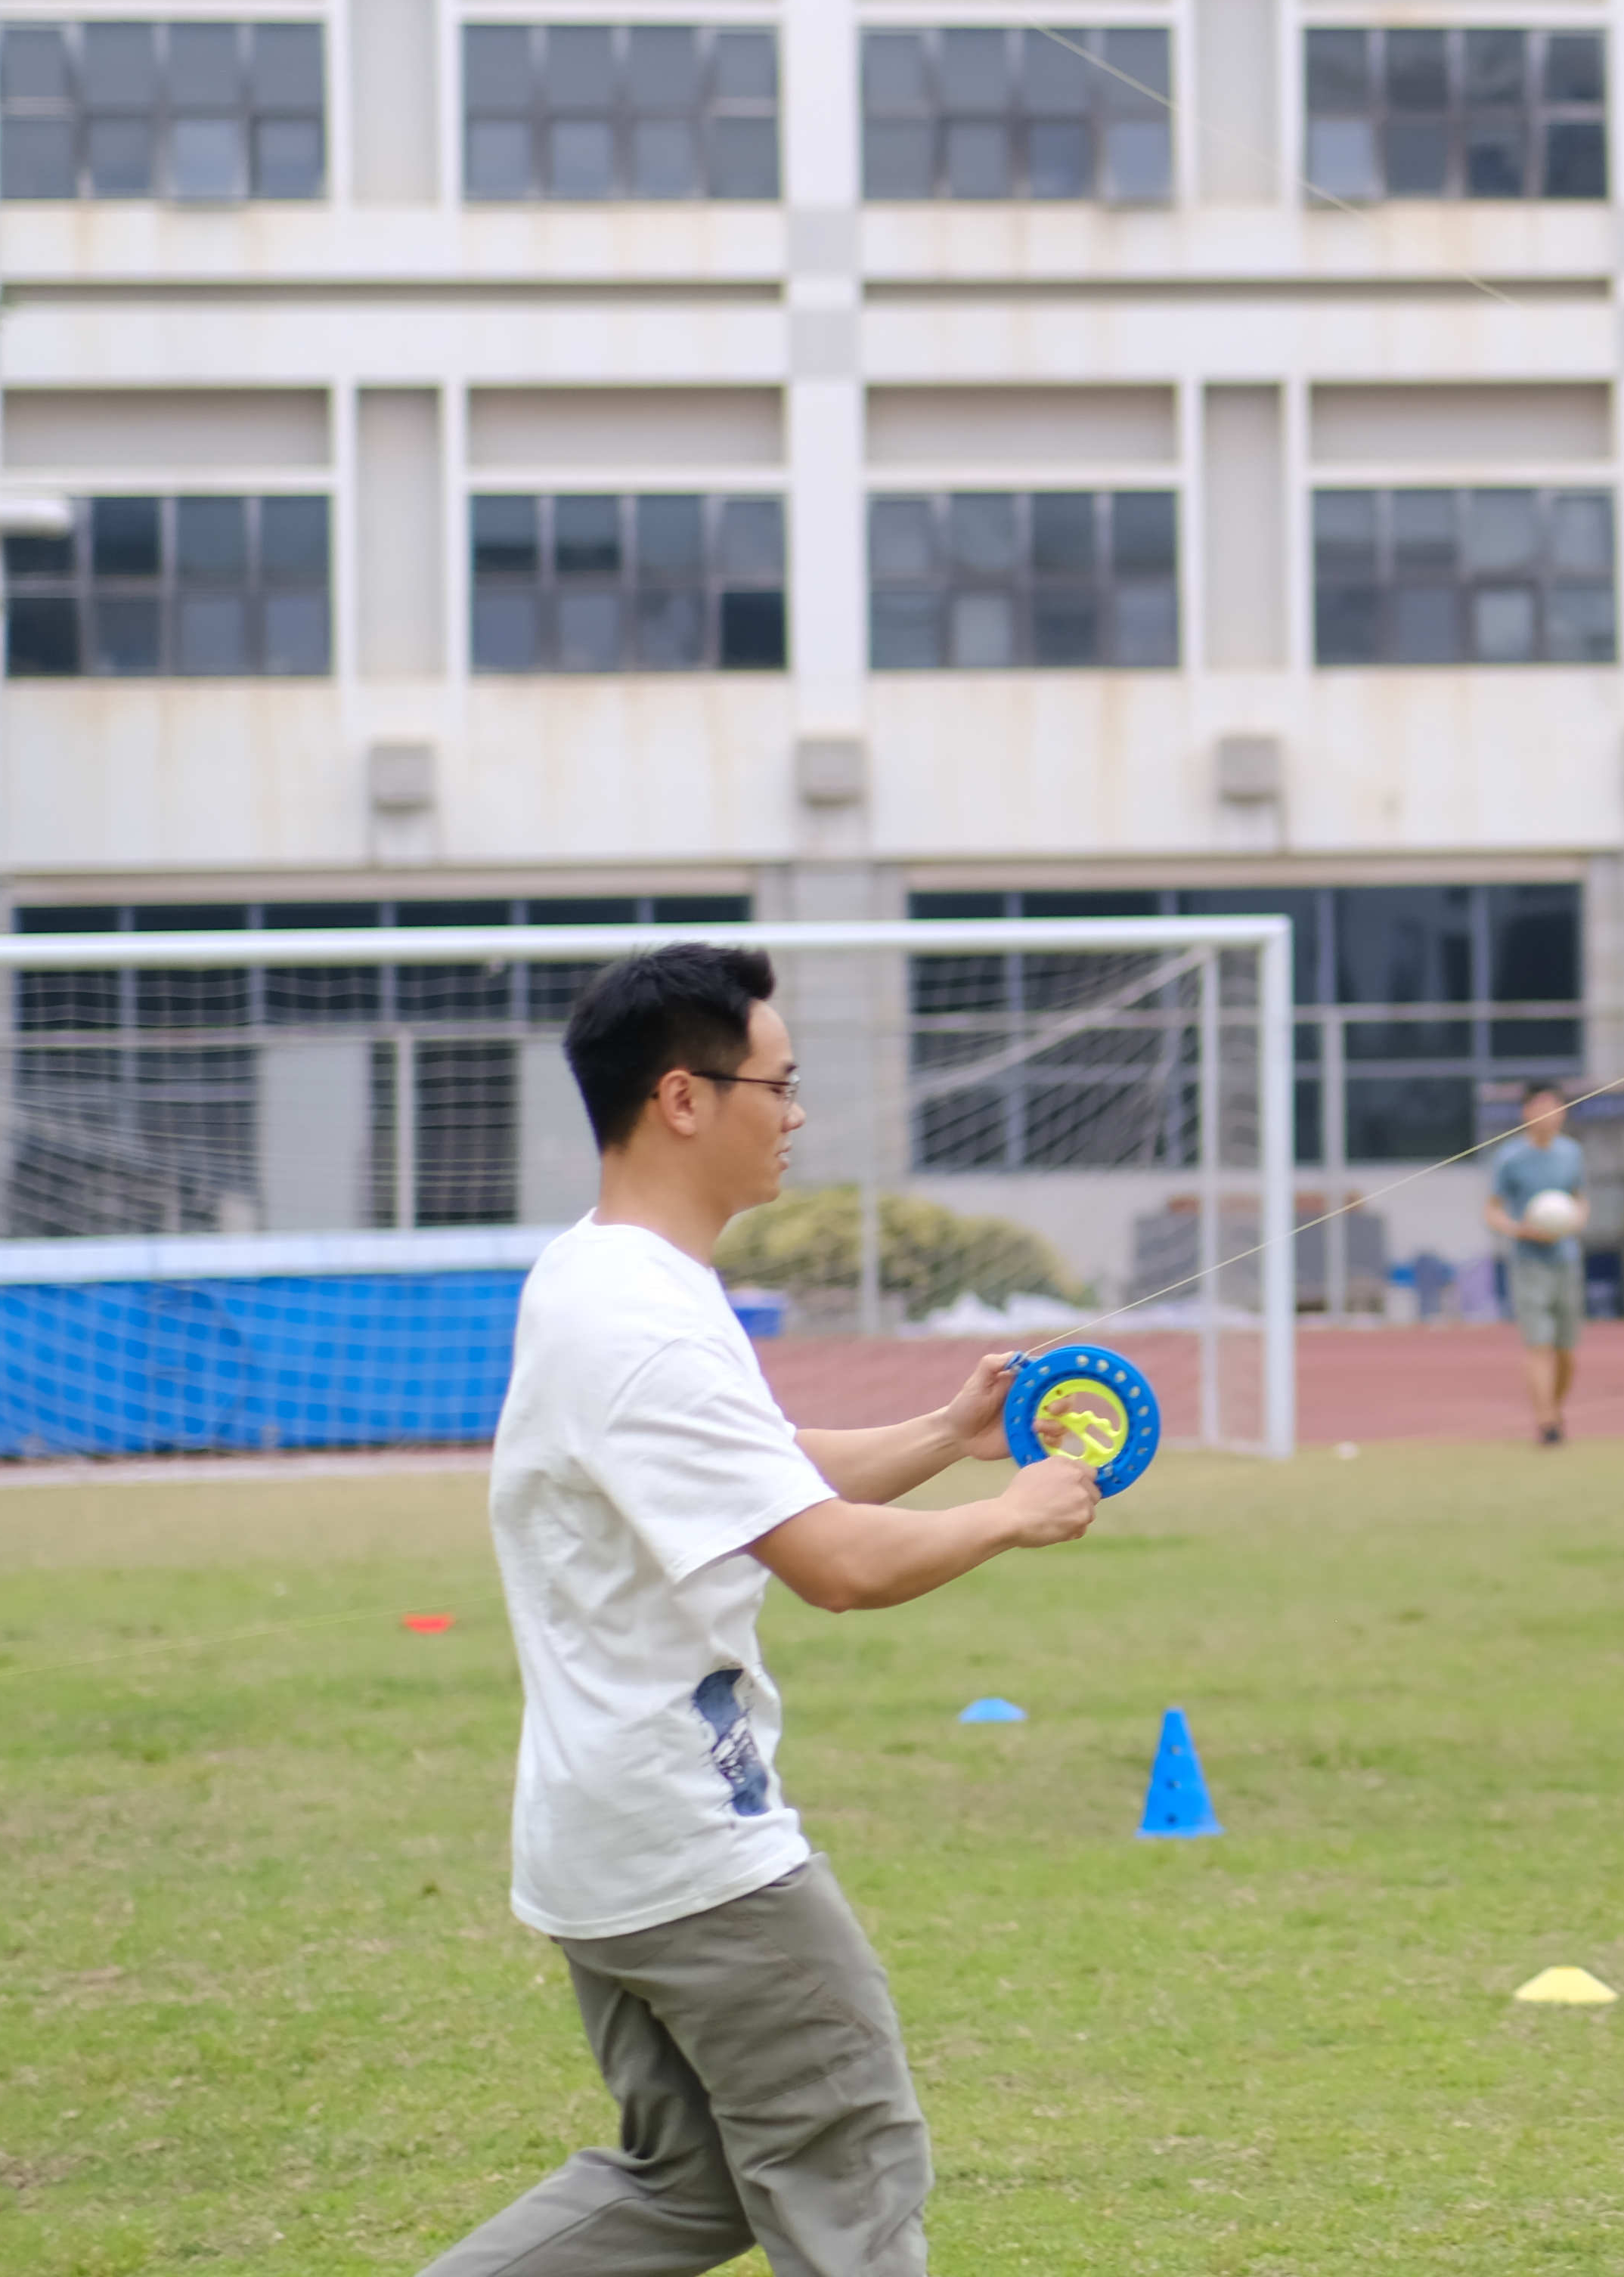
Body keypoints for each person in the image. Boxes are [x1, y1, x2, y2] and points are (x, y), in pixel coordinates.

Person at [423, 942, 1099, 2277]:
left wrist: (948, 1434)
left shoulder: (606, 1276)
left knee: (693, 2181)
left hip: (603, 1842)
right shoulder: (644, 1323)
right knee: (853, 2162)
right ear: (684, 1098)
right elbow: (835, 1564)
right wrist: (1016, 1512)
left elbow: (753, 1472)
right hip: (691, 1850)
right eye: (778, 1087)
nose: (797, 1118)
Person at [1484, 1080, 1588, 1446]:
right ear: (1526, 1113)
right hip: (1528, 1262)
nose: (1547, 1115)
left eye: (1554, 1107)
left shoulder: (1572, 1153)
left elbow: (1581, 1202)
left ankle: (1553, 1412)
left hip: (1566, 1260)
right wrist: (1519, 1230)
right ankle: (1545, 1422)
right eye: (1539, 1107)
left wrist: (1572, 1222)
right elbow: (1492, 1210)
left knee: (1566, 1350)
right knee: (1538, 1343)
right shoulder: (1509, 1157)